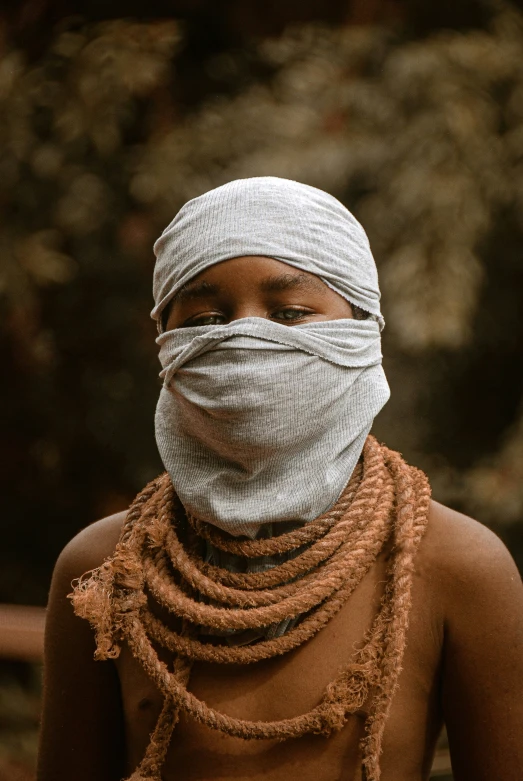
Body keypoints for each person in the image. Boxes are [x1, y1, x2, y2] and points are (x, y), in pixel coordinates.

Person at [37, 178, 523, 781]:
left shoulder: (457, 566)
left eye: (290, 313)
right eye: (207, 317)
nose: (246, 337)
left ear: (364, 331)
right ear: (166, 345)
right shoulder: (104, 569)